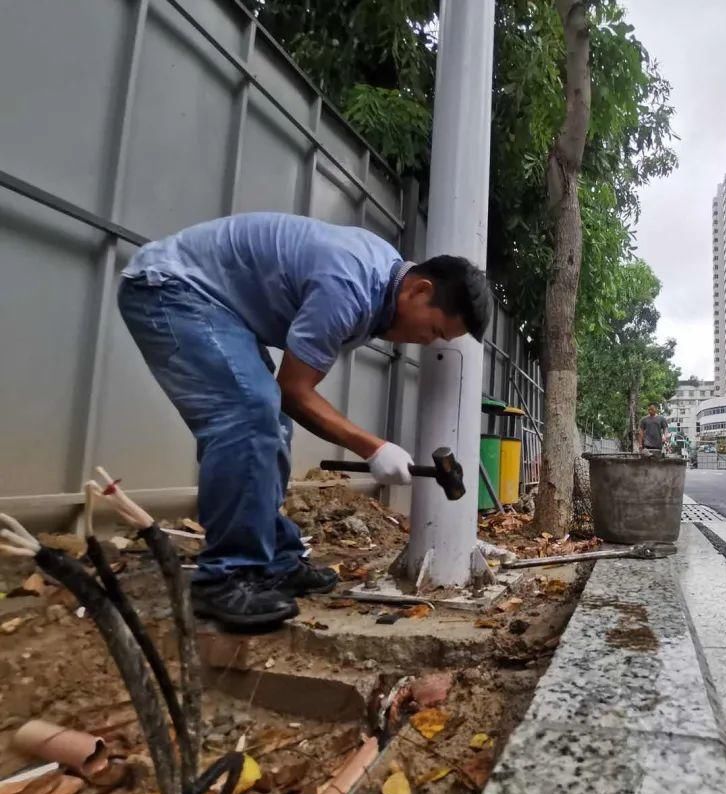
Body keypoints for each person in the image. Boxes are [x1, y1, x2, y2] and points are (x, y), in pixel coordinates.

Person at [118, 212, 491, 627]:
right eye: (436, 330)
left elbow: (291, 396)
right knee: (249, 415)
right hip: (170, 287)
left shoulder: (381, 281)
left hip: (217, 307)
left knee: (269, 424)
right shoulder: (350, 286)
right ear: (420, 290)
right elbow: (295, 392)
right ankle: (226, 578)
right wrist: (374, 447)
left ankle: (275, 558)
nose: (428, 342)